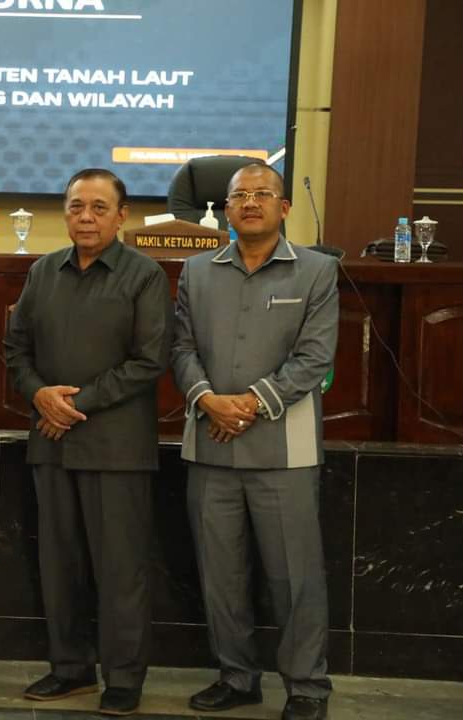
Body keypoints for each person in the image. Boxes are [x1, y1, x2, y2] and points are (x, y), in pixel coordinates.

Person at [171, 163, 338, 720]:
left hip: (284, 454)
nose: (249, 203)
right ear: (224, 206)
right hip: (210, 447)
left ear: (283, 207)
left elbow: (314, 359)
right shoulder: (196, 271)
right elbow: (181, 349)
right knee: (221, 576)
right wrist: (208, 399)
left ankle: (307, 688)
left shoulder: (317, 271)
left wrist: (245, 405)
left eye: (262, 194)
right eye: (238, 195)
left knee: (295, 577)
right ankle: (237, 677)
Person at [4, 168, 171, 716]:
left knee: (120, 570)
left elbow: (149, 361)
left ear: (122, 216)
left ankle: (122, 677)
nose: (86, 217)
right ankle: (69, 669)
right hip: (50, 444)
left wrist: (73, 406)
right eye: (77, 206)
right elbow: (16, 350)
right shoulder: (42, 271)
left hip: (115, 448)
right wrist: (40, 395)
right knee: (60, 565)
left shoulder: (144, 275)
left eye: (100, 208)